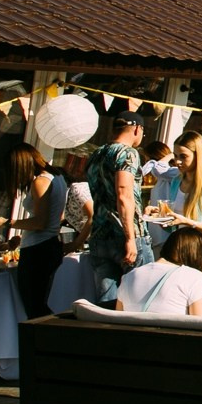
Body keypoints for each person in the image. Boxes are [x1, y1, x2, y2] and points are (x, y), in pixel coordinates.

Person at [0, 144, 68, 318]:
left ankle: (47, 335)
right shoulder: (58, 177)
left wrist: (5, 222)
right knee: (39, 304)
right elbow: (57, 217)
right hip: (49, 246)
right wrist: (22, 237)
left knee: (34, 308)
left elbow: (40, 222)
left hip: (37, 251)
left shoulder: (40, 182)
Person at [149, 130, 202, 311]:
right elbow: (172, 225)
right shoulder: (176, 181)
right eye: (175, 156)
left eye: (183, 156)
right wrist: (160, 216)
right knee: (186, 307)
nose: (178, 161)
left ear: (198, 156)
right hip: (182, 255)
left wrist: (189, 222)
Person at [85, 111, 154, 307]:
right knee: (141, 298)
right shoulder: (127, 153)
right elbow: (123, 194)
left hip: (99, 234)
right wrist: (130, 238)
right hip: (125, 233)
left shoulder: (96, 154)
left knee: (106, 302)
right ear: (137, 129)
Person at [116, 227, 202, 316]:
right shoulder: (194, 277)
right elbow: (200, 324)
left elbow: (118, 319)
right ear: (196, 254)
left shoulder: (129, 276)